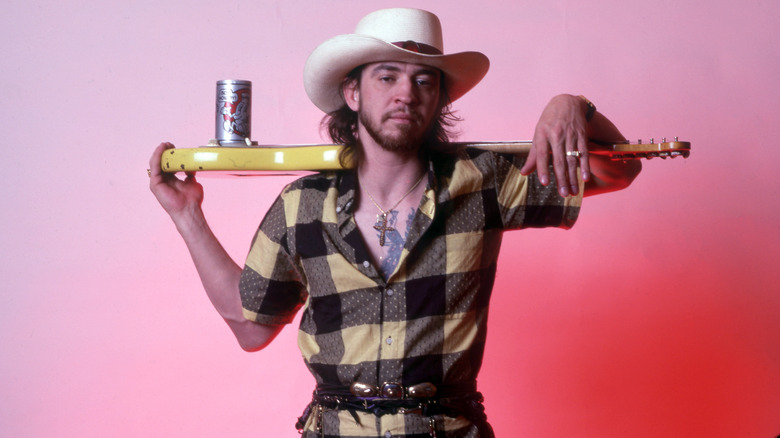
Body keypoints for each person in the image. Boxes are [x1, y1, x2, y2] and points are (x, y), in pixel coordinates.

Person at [149, 8, 641, 438]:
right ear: (353, 92)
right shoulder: (302, 205)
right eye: (387, 76)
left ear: (439, 99)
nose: (406, 93)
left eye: (424, 80)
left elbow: (619, 169)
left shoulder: (485, 181)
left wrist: (574, 106)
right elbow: (249, 326)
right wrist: (186, 214)